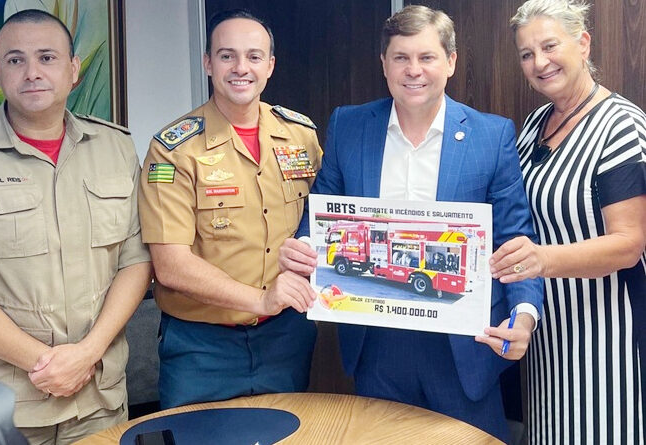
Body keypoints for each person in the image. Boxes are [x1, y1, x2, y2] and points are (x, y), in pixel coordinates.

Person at [278, 5, 543, 441]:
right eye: (401, 58)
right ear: (384, 65)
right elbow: (319, 216)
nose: (413, 70)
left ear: (451, 62)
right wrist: (303, 244)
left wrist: (526, 314)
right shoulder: (349, 125)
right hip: (377, 342)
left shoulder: (491, 136)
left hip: (464, 347)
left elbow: (515, 237)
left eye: (427, 57)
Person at [0, 10, 152, 444]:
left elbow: (135, 262)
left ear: (73, 69)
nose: (33, 72)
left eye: (47, 57)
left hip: (100, 396)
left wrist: (87, 355)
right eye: (16, 60)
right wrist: (50, 364)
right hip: (8, 406)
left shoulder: (115, 147)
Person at [139, 9, 322, 409]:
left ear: (270, 66)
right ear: (207, 63)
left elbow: (330, 221)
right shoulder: (173, 150)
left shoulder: (301, 135)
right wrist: (260, 300)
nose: (242, 68)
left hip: (286, 336)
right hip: (202, 346)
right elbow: (170, 265)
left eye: (254, 57)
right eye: (227, 56)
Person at [490, 1, 646, 443]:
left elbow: (628, 243)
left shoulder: (620, 125)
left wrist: (541, 259)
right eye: (526, 54)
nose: (539, 62)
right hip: (546, 333)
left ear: (583, 43)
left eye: (549, 46)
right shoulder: (535, 122)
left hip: (607, 336)